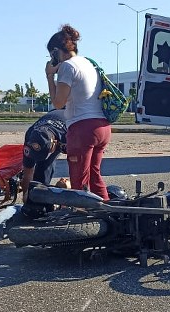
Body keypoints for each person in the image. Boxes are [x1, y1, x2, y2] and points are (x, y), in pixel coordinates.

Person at [45, 24, 111, 201]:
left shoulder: (67, 67)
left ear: (55, 52)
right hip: (102, 126)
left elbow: (58, 103)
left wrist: (50, 76)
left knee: (79, 179)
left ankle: (80, 220)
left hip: (83, 128)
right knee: (95, 176)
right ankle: (108, 216)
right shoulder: (88, 63)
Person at [19, 109, 68, 202]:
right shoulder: (30, 135)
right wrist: (26, 196)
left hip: (72, 122)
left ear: (54, 144)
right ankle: (37, 200)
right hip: (52, 123)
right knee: (36, 183)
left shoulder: (68, 135)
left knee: (44, 166)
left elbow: (78, 168)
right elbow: (27, 171)